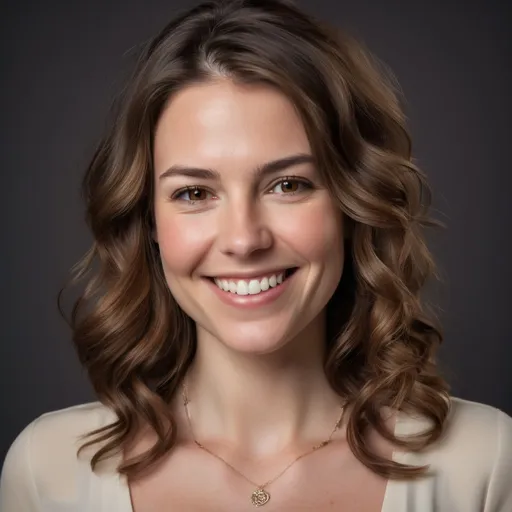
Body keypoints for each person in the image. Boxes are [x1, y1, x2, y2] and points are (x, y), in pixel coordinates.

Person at [1, 0, 511, 510]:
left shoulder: (485, 464)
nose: (244, 241)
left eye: (288, 185)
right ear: (150, 221)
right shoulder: (48, 473)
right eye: (195, 194)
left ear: (353, 204)